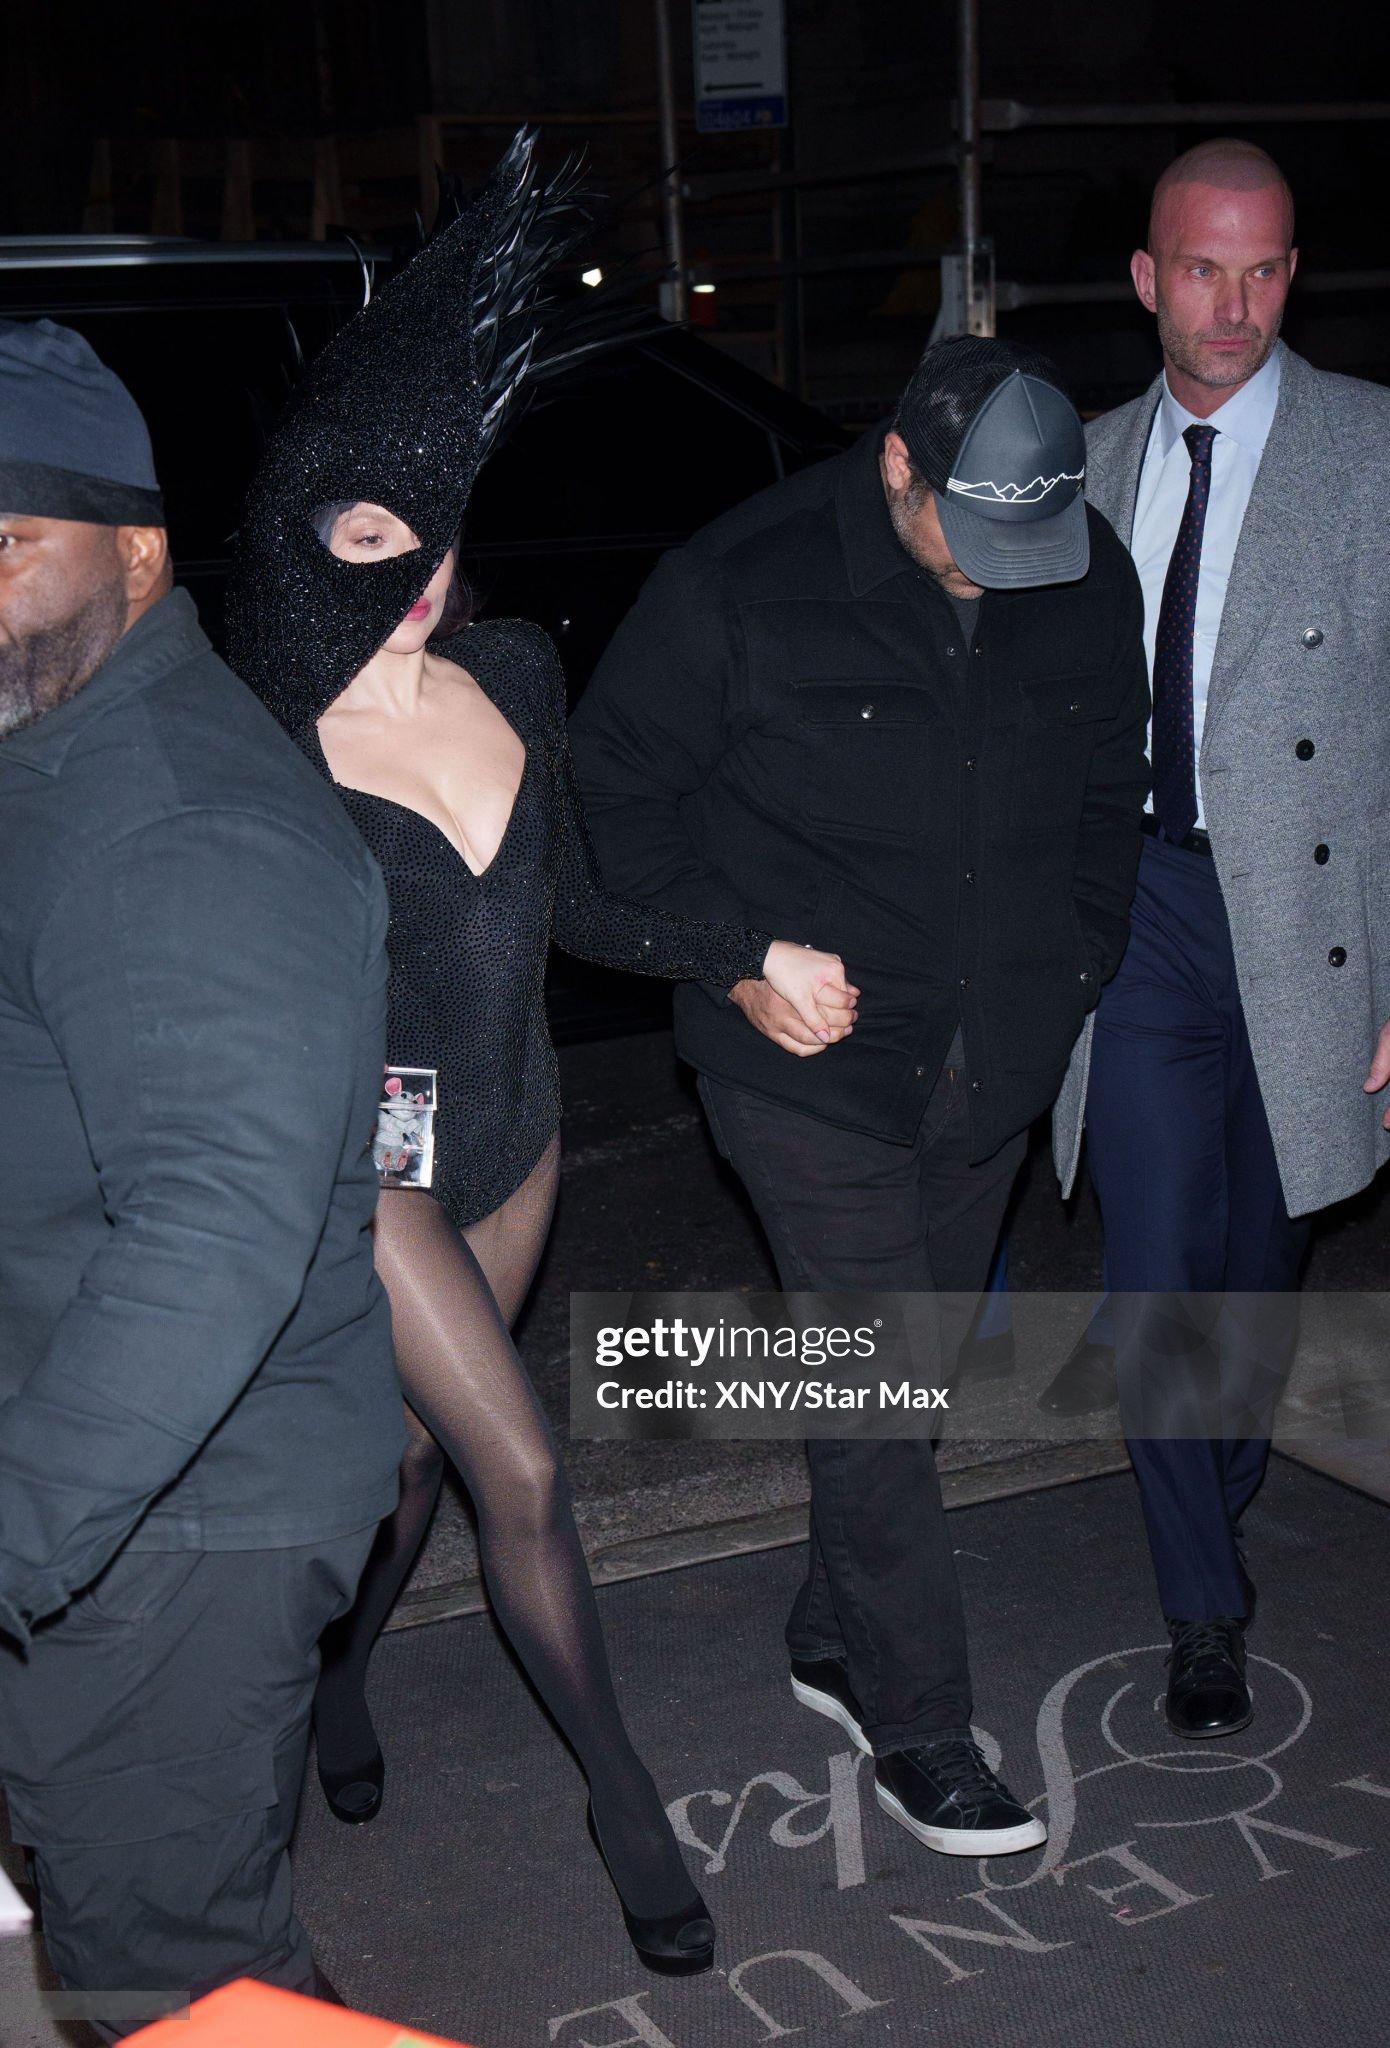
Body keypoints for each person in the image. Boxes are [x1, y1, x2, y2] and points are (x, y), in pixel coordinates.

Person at [225, 131, 851, 1977]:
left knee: (412, 1477)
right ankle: (625, 1809)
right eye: (370, 537)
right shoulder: (260, 750)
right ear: (301, 536)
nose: (418, 571)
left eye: (435, 529)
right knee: (521, 1469)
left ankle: (344, 1686)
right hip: (370, 1177)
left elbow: (575, 904)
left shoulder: (509, 673)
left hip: (520, 1135)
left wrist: (738, 949)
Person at [570, 335, 1150, 1857]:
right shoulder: (734, 584)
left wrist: (1075, 962)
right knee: (876, 1394)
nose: (1002, 577)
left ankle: (833, 1633)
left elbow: (1109, 791)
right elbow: (609, 803)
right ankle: (920, 1726)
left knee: (911, 1373)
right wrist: (730, 958)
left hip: (995, 1051)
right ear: (900, 465)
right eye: (973, 539)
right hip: (802, 1063)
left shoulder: (1082, 569)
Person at [0, 320, 405, 2039]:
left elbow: (211, 1236)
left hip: (179, 1516)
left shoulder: (179, 819)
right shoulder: (58, 745)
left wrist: (13, 1531)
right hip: (113, 1471)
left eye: (8, 538)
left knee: (175, 1986)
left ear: (140, 552)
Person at [1050, 140, 1390, 1736]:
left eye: (1260, 272)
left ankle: (1216, 1478)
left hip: (1312, 924)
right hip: (1139, 913)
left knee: (1260, 1261)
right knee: (1156, 1270)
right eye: (1202, 269)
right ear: (1147, 278)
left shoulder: (1369, 449)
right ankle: (1201, 1602)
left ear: (1290, 275)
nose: (1233, 306)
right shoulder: (1082, 465)